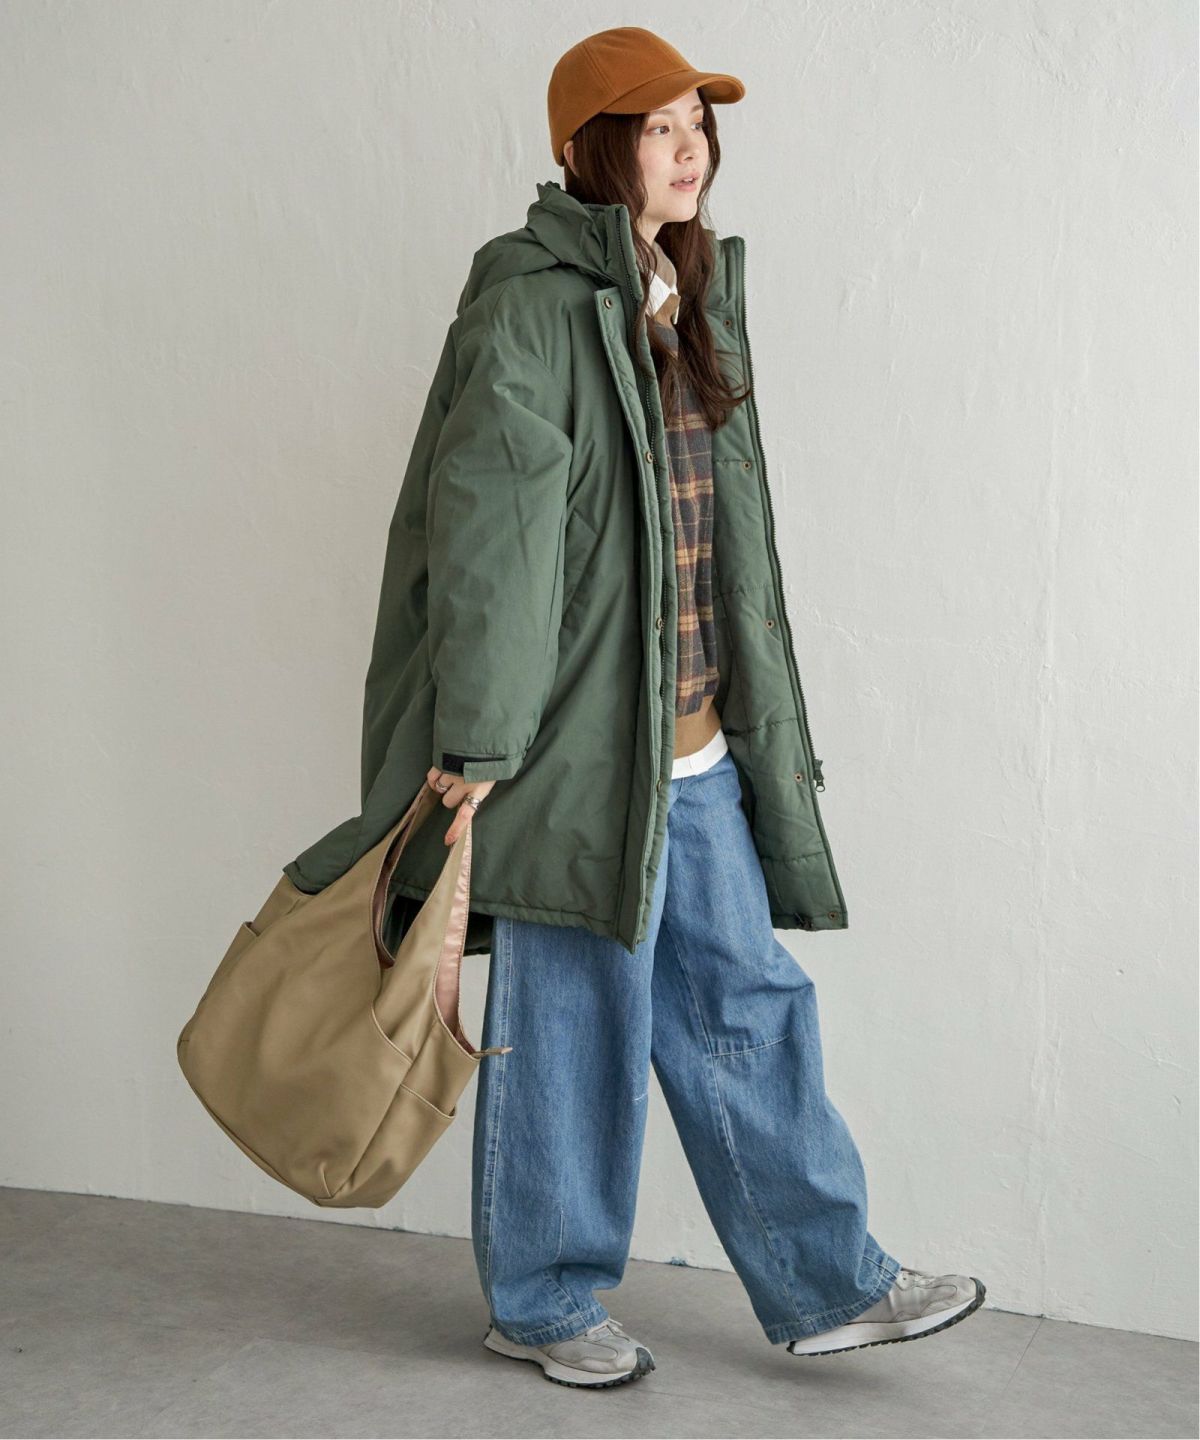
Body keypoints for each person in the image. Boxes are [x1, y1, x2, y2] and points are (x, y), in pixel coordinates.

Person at [283, 25, 986, 1389]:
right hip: (567, 758)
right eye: (659, 127)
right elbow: (492, 538)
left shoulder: (687, 294)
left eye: (698, 126)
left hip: (694, 743)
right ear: (589, 149)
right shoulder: (530, 306)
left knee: (748, 1005)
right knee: (574, 1036)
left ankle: (830, 1281)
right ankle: (544, 1301)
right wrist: (484, 741)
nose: (690, 149)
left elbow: (724, 541)